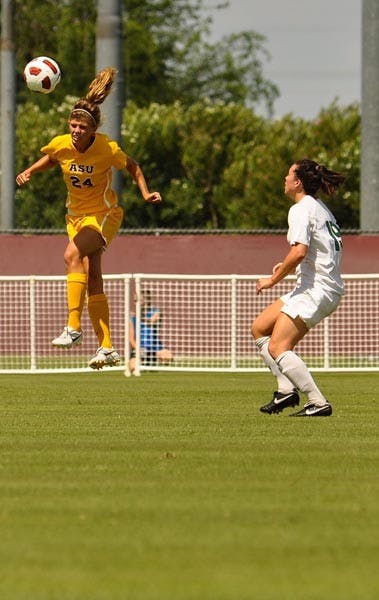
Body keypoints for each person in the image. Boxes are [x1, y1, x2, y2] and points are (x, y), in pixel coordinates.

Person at [16, 67, 162, 369]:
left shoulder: (106, 149)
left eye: (82, 127)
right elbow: (52, 157)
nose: (76, 130)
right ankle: (107, 347)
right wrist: (31, 170)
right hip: (76, 218)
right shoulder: (61, 143)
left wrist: (146, 193)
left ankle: (73, 326)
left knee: (71, 254)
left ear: (92, 130)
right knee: (93, 275)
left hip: (105, 215)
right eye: (73, 125)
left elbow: (133, 166)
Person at [251, 159, 346, 417]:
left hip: (317, 289)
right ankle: (285, 391)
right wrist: (288, 266)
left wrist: (273, 280)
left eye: (288, 174)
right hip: (314, 285)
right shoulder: (320, 208)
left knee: (278, 347)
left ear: (298, 182)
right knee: (260, 328)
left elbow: (300, 251)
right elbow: (312, 252)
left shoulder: (301, 209)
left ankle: (317, 401)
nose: (284, 178)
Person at [129, 290, 173, 372]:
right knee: (132, 367)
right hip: (140, 348)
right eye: (134, 301)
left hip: (155, 347)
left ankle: (151, 361)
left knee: (168, 357)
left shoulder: (155, 312)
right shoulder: (131, 317)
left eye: (137, 300)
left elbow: (153, 320)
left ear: (146, 300)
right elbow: (131, 339)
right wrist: (138, 349)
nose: (135, 303)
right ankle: (144, 361)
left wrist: (139, 317)